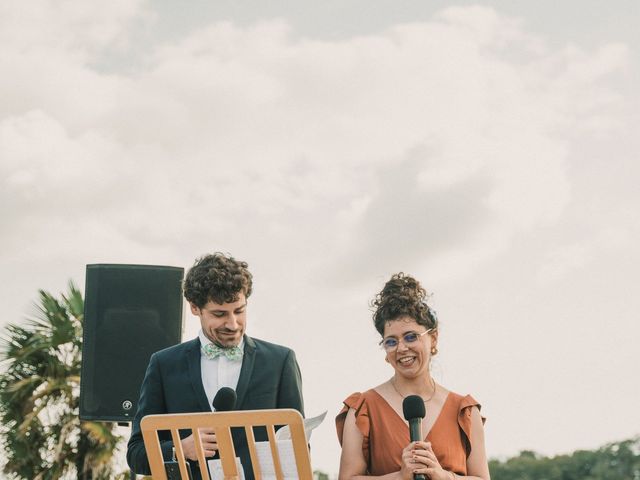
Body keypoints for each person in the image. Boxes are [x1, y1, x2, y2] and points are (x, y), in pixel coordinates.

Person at [127, 253, 305, 479]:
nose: (232, 324)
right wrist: (180, 449)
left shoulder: (280, 361)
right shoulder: (163, 365)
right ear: (195, 308)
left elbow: (298, 448)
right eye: (219, 314)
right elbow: (135, 454)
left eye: (239, 311)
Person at [336, 273, 490, 480]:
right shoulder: (363, 408)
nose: (402, 348)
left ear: (433, 339)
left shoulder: (465, 411)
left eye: (411, 337)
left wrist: (443, 476)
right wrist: (399, 477)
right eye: (391, 341)